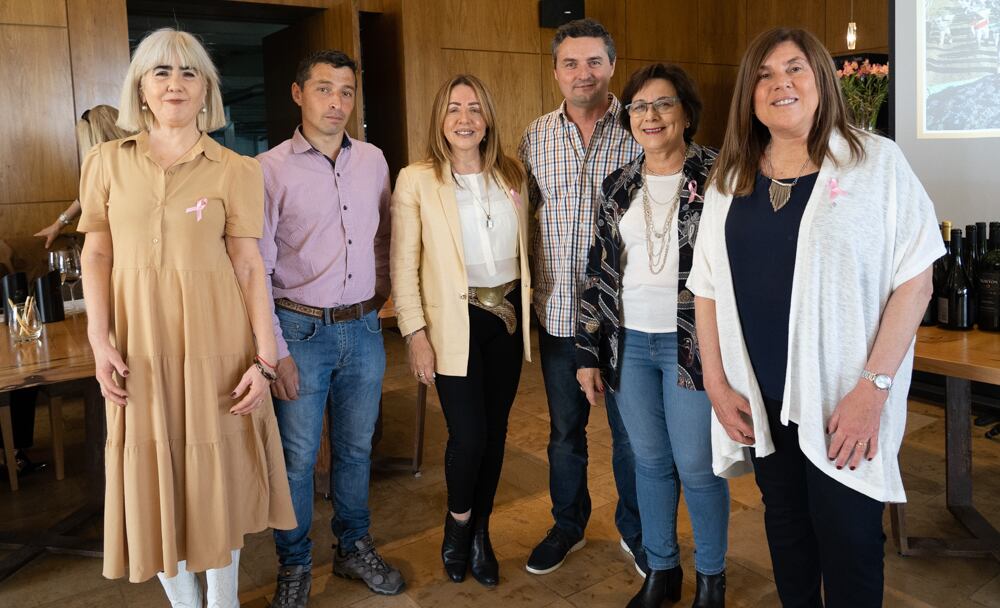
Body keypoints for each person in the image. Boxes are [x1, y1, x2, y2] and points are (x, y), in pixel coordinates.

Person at [688, 27, 943, 607]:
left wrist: (873, 389)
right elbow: (705, 288)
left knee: (850, 546)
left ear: (821, 78)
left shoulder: (874, 161)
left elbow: (917, 279)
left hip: (841, 404)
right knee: (788, 538)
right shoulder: (731, 176)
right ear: (750, 96)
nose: (781, 83)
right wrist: (716, 383)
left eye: (795, 68)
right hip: (763, 403)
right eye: (765, 74)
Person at [78, 28, 295, 604]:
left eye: (189, 73)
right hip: (137, 348)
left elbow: (250, 265)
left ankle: (221, 602)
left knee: (214, 476)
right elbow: (96, 252)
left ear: (207, 91)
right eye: (161, 72)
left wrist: (266, 356)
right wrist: (99, 342)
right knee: (152, 478)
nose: (175, 84)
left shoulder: (236, 168)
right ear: (141, 89)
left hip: (217, 344)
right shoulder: (104, 161)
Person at [576, 64, 728, 608]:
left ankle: (712, 579)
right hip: (630, 345)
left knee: (697, 464)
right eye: (639, 107)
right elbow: (596, 269)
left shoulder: (721, 175)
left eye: (663, 104)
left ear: (686, 112)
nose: (651, 116)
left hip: (693, 344)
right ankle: (662, 571)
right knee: (649, 462)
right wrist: (588, 351)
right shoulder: (619, 182)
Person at [258, 50, 403, 605]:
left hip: (363, 328)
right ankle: (294, 564)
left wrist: (380, 297)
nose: (337, 102)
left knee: (357, 448)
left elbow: (384, 237)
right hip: (299, 331)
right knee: (296, 459)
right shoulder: (268, 169)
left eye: (346, 91)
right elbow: (258, 267)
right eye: (324, 89)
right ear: (299, 95)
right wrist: (274, 347)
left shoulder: (373, 160)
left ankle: (353, 547)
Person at [391, 74, 532, 588]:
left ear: (488, 117)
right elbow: (403, 265)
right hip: (455, 321)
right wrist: (415, 333)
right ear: (440, 119)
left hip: (508, 319)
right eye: (454, 109)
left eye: (475, 107)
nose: (465, 118)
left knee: (495, 436)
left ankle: (482, 534)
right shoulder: (417, 179)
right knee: (468, 436)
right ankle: (458, 525)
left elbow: (526, 249)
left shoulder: (512, 173)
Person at [518, 18, 644, 576]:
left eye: (594, 61)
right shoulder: (534, 137)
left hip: (624, 318)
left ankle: (637, 530)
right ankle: (568, 523)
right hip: (560, 317)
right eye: (570, 63)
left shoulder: (640, 129)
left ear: (612, 66)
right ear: (555, 72)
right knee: (565, 433)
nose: (582, 73)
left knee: (629, 433)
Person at [35, 106, 132, 248]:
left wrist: (58, 224)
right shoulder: (140, 157)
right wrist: (58, 225)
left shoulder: (104, 165)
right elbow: (84, 198)